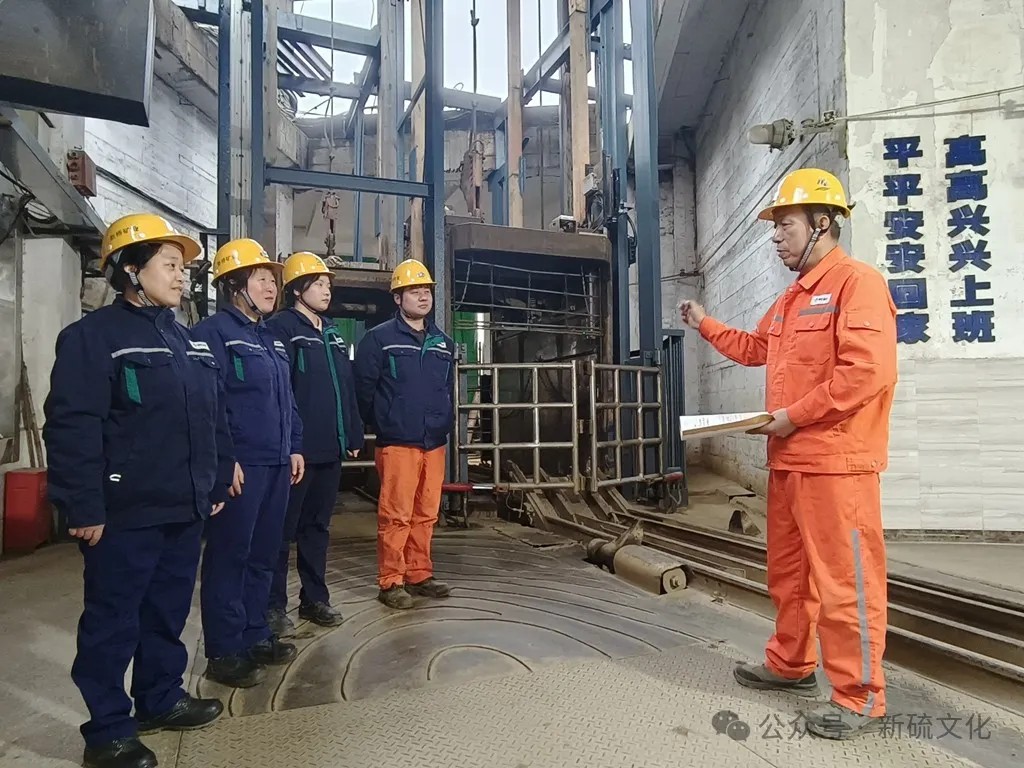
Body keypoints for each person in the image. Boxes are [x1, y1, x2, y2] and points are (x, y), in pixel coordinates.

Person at [679, 168, 897, 740]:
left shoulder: (857, 284)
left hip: (837, 465)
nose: (776, 237)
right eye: (775, 227)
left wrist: (794, 416)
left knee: (846, 583)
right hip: (791, 462)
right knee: (790, 576)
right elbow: (756, 348)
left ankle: (859, 695)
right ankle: (792, 664)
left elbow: (866, 372)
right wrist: (705, 324)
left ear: (822, 223)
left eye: (785, 225)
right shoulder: (791, 299)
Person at [43, 213, 233, 768]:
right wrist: (83, 504)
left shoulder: (188, 341)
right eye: (170, 265)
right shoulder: (92, 338)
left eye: (183, 268)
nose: (181, 276)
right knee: (113, 621)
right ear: (130, 269)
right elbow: (73, 426)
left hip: (183, 505)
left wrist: (215, 479)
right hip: (124, 512)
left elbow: (212, 416)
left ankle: (159, 698)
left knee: (167, 613)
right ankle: (107, 731)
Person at [192, 238, 304, 688]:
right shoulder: (212, 334)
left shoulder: (271, 338)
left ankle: (255, 633)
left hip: (276, 462)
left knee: (264, 554)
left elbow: (287, 399)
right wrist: (226, 458)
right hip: (243, 466)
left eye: (273, 280)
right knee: (230, 556)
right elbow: (208, 404)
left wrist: (295, 444)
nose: (271, 287)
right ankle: (224, 649)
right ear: (234, 284)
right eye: (261, 279)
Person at [266, 252, 365, 634]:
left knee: (317, 527)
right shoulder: (282, 329)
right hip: (298, 451)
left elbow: (347, 385)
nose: (326, 291)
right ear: (297, 289)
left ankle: (314, 598)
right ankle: (274, 605)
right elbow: (280, 391)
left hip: (329, 448)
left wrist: (352, 432)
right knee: (281, 530)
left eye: (327, 285)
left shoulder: (333, 332)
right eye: (318, 284)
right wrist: (290, 443)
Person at [352, 259, 454, 610]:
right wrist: (381, 423)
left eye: (426, 291)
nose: (423, 297)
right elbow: (363, 390)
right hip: (397, 441)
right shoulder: (379, 339)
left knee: (427, 511)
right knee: (396, 514)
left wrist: (442, 422)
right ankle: (391, 580)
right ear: (397, 298)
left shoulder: (443, 343)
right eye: (414, 291)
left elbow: (446, 389)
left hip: (434, 442)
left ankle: (419, 573)